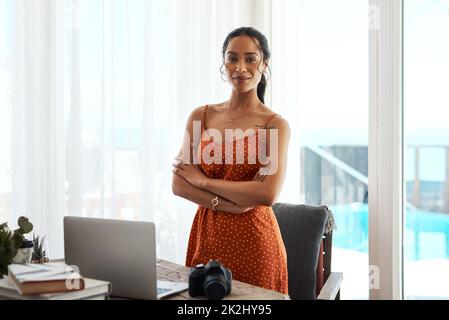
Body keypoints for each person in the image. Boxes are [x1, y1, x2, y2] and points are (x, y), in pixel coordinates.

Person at [172, 27, 290, 294]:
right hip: (207, 238)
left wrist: (202, 180)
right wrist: (235, 204)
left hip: (256, 244)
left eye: (250, 58)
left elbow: (267, 193)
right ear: (223, 62)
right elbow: (179, 184)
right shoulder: (200, 116)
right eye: (232, 58)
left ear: (265, 65)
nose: (240, 67)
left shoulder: (275, 125)